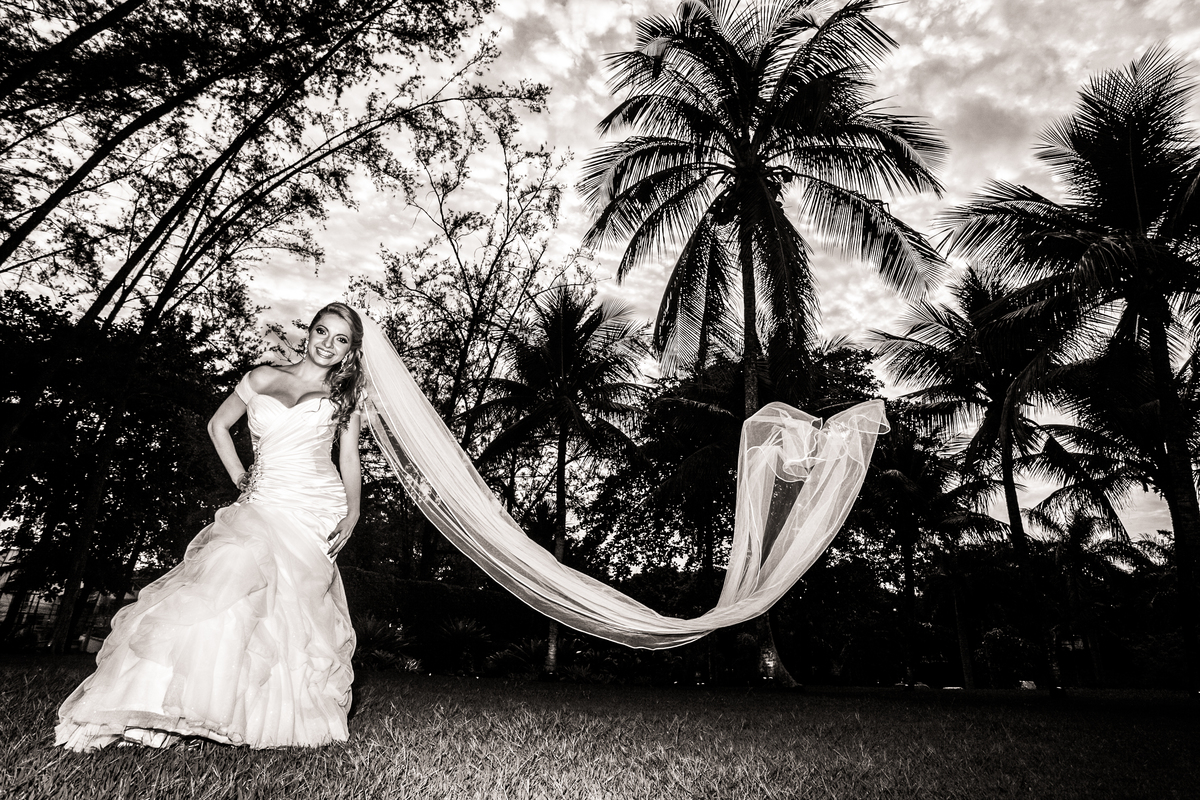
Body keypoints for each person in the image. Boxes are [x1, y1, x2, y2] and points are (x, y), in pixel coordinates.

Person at [56, 302, 364, 751]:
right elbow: (218, 425)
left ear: (350, 350)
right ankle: (167, 707)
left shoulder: (345, 395)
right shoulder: (262, 377)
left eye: (341, 340)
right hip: (262, 499)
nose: (328, 344)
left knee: (289, 606)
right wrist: (240, 476)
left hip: (313, 506)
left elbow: (349, 457)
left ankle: (267, 717)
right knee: (229, 575)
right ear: (309, 331)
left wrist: (353, 513)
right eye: (322, 331)